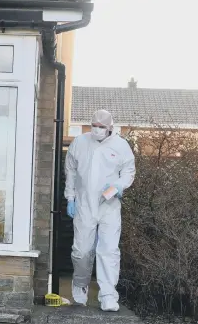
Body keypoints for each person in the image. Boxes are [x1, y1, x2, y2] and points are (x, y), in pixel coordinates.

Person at [64, 109, 135, 312]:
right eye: (94, 125)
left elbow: (129, 170)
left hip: (109, 205)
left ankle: (108, 295)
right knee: (81, 251)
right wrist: (70, 197)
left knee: (109, 250)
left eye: (101, 127)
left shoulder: (121, 146)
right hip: (84, 205)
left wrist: (119, 186)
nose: (97, 129)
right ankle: (80, 285)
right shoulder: (80, 142)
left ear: (110, 128)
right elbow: (70, 170)